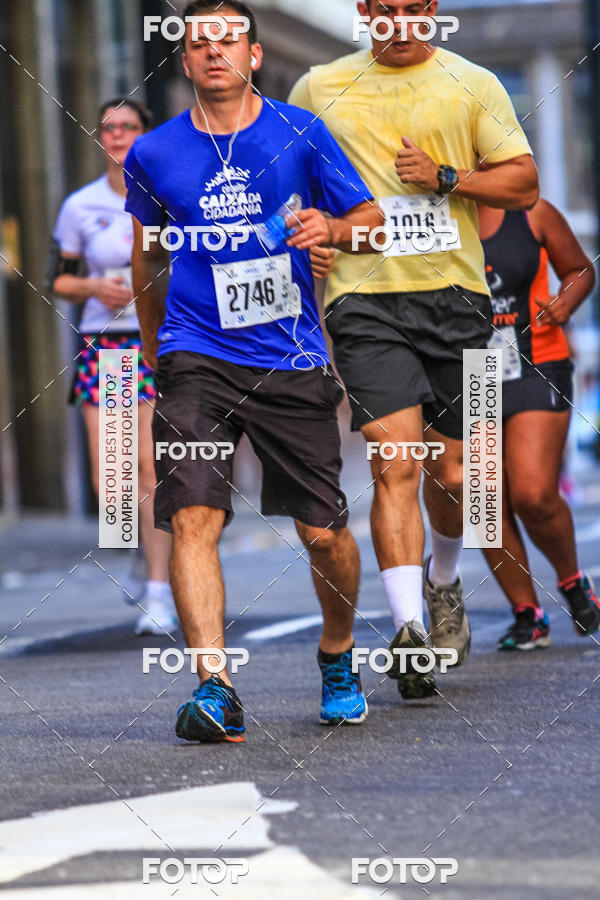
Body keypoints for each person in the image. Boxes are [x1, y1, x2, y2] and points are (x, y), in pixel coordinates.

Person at [125, 0, 382, 743]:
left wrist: (331, 227)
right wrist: (154, 343)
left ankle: (337, 655)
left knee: (323, 531)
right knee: (192, 514)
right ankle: (214, 686)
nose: (212, 53)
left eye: (226, 40)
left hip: (289, 357)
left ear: (254, 55)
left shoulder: (300, 132)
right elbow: (149, 254)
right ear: (184, 59)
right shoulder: (154, 153)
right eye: (198, 42)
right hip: (193, 354)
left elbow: (369, 220)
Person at [289, 0, 539, 700]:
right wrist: (310, 232)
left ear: (430, 10)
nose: (399, 21)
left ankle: (443, 581)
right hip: (363, 298)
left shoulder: (471, 82)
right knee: (394, 458)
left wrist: (447, 179)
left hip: (455, 297)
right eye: (385, 10)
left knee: (457, 477)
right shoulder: (318, 85)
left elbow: (524, 183)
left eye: (412, 8)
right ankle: (406, 634)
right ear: (365, 12)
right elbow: (287, 175)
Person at [50, 98, 176, 636]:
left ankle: (158, 591)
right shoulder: (82, 205)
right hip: (107, 346)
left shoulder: (166, 192)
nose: (118, 136)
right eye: (109, 128)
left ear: (144, 135)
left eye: (128, 127)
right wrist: (94, 287)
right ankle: (139, 553)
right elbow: (59, 279)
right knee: (114, 480)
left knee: (147, 467)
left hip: (156, 342)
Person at [478, 198, 600, 649]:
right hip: (472, 370)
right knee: (485, 502)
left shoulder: (531, 212)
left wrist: (565, 303)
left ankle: (572, 582)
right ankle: (527, 613)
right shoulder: (432, 220)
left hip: (536, 360)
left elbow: (579, 269)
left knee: (531, 491)